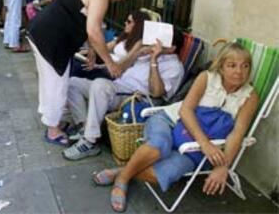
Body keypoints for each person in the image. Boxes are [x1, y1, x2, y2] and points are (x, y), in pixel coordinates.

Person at [93, 42, 258, 212]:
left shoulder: (249, 96)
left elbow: (238, 132)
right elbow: (185, 110)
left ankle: (122, 171)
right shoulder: (207, 78)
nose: (239, 71)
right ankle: (122, 181)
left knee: (168, 172)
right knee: (159, 146)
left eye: (245, 66)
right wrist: (205, 144)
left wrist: (222, 166)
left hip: (193, 146)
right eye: (232, 65)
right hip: (170, 119)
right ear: (221, 67)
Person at [27, 0, 139, 145]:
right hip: (51, 39)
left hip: (43, 33)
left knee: (51, 81)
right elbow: (94, 31)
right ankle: (53, 131)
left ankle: (51, 120)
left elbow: (90, 23)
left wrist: (94, 50)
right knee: (57, 84)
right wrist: (110, 63)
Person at [63, 28, 185, 158]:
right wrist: (137, 53)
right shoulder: (147, 54)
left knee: (100, 85)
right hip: (117, 86)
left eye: (161, 40)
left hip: (134, 96)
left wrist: (154, 60)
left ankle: (89, 142)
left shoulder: (174, 67)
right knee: (72, 83)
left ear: (172, 48)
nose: (155, 42)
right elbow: (118, 70)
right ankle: (84, 127)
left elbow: (156, 93)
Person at [70, 10, 150, 80]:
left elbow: (128, 60)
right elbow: (105, 48)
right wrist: (91, 51)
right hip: (105, 64)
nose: (125, 23)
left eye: (129, 21)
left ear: (138, 25)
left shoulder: (139, 42)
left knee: (76, 68)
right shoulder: (124, 37)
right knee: (74, 61)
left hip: (112, 71)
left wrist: (104, 65)